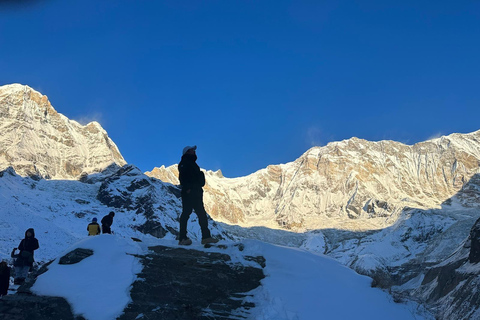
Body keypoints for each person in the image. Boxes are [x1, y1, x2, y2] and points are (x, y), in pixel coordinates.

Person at [178, 145, 218, 245]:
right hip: (190, 192)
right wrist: (188, 189)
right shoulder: (185, 163)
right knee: (188, 214)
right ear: (187, 152)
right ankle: (183, 238)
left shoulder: (192, 163)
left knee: (200, 214)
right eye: (192, 150)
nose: (194, 152)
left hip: (195, 192)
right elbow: (183, 177)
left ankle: (205, 237)